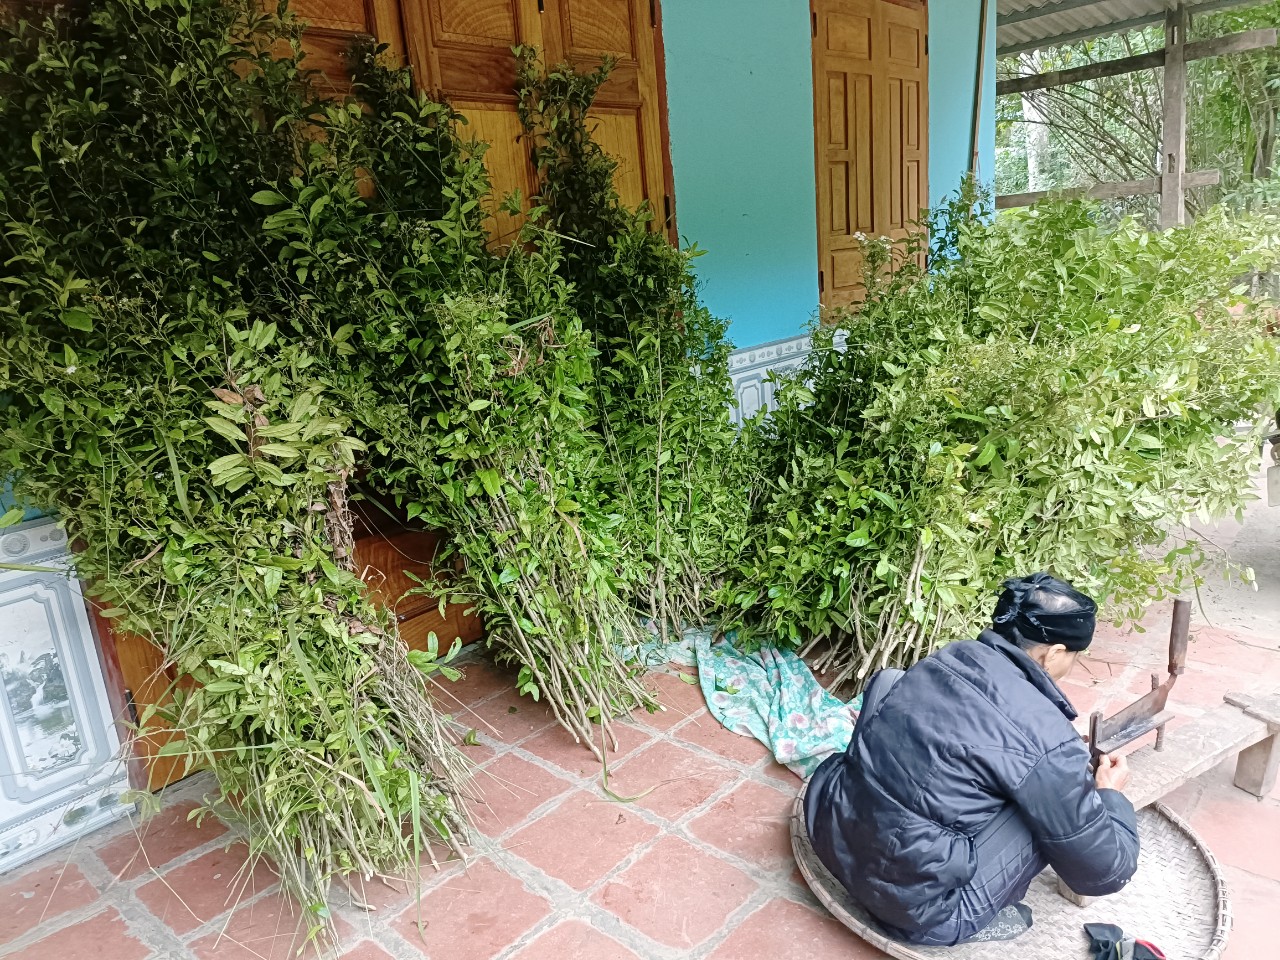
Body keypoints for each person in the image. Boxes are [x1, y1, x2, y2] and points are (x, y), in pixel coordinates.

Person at [804, 573, 1139, 946]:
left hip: (831, 841)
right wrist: (1110, 795)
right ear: (1054, 653)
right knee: (1051, 795)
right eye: (1075, 657)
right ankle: (971, 918)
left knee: (894, 684)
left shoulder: (949, 656)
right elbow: (1105, 872)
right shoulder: (1048, 739)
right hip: (920, 914)